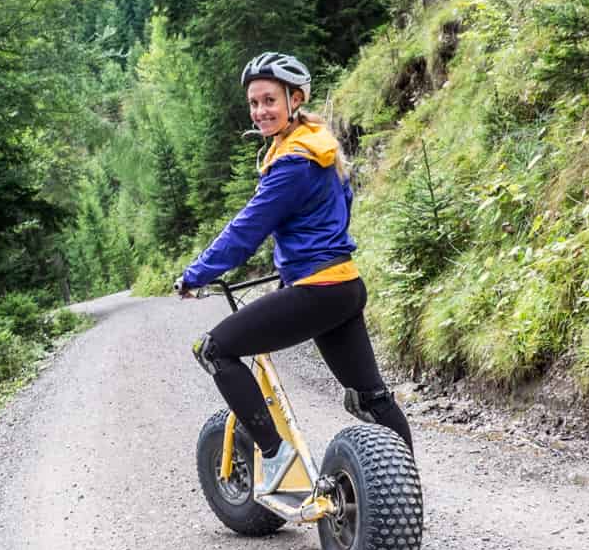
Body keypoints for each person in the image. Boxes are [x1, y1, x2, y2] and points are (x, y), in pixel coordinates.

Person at [175, 51, 412, 483]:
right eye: (253, 102)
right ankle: (407, 487)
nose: (260, 111)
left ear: (294, 99)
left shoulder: (292, 163)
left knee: (214, 349)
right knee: (369, 396)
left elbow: (248, 228)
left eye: (269, 100)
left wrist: (196, 275)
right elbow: (340, 208)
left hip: (316, 291)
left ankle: (277, 458)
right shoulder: (318, 145)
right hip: (343, 284)